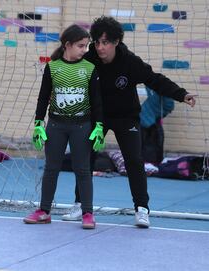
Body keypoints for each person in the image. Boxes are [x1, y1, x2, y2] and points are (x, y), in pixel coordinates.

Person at [62, 16, 197, 228]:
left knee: (134, 159)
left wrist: (181, 94)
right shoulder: (88, 60)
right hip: (98, 117)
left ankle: (142, 209)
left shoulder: (130, 62)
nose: (100, 47)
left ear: (116, 42)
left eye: (105, 42)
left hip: (126, 117)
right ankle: (80, 205)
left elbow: (155, 79)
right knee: (85, 158)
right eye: (96, 42)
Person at [23, 24, 104, 229]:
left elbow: (97, 101)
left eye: (86, 46)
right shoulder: (52, 67)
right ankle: (44, 211)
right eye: (80, 46)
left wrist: (99, 126)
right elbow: (43, 97)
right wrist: (39, 123)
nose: (84, 50)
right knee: (51, 168)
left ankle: (87, 212)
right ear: (67, 45)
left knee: (82, 169)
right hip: (56, 125)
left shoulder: (89, 69)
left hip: (82, 126)